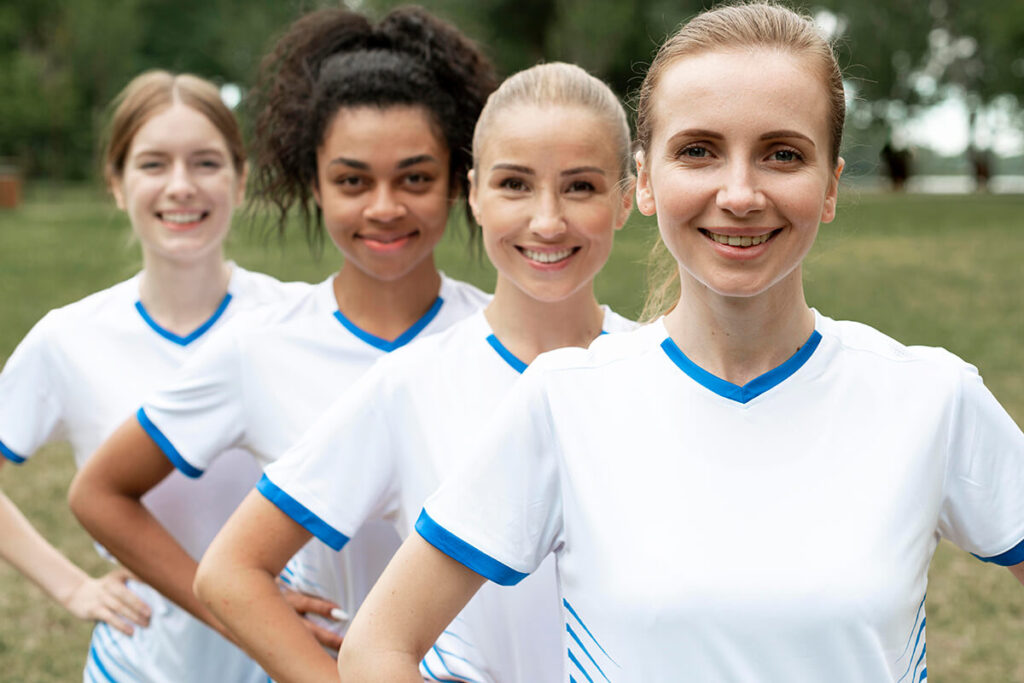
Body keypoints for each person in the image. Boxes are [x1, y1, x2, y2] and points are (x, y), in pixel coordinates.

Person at [335, 4, 1024, 682]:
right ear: (645, 183)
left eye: (783, 154)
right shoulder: (564, 400)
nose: (740, 192)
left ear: (832, 185)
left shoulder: (932, 397)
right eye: (698, 151)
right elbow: (376, 648)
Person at [69, 6, 495, 676]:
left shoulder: (503, 338)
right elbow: (100, 492)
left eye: (415, 177)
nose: (384, 206)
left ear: (457, 183)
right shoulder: (259, 349)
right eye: (352, 180)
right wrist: (238, 612)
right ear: (314, 182)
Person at [195, 61, 636, 682]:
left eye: (582, 187)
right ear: (475, 194)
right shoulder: (411, 383)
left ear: (627, 196)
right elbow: (229, 572)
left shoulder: (658, 371)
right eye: (515, 185)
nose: (547, 221)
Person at [0, 70, 308, 682]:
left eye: (205, 163)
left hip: (288, 658)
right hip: (140, 665)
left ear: (241, 180)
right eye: (152, 164)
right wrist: (71, 587)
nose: (181, 186)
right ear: (115, 185)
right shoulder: (70, 337)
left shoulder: (299, 321)